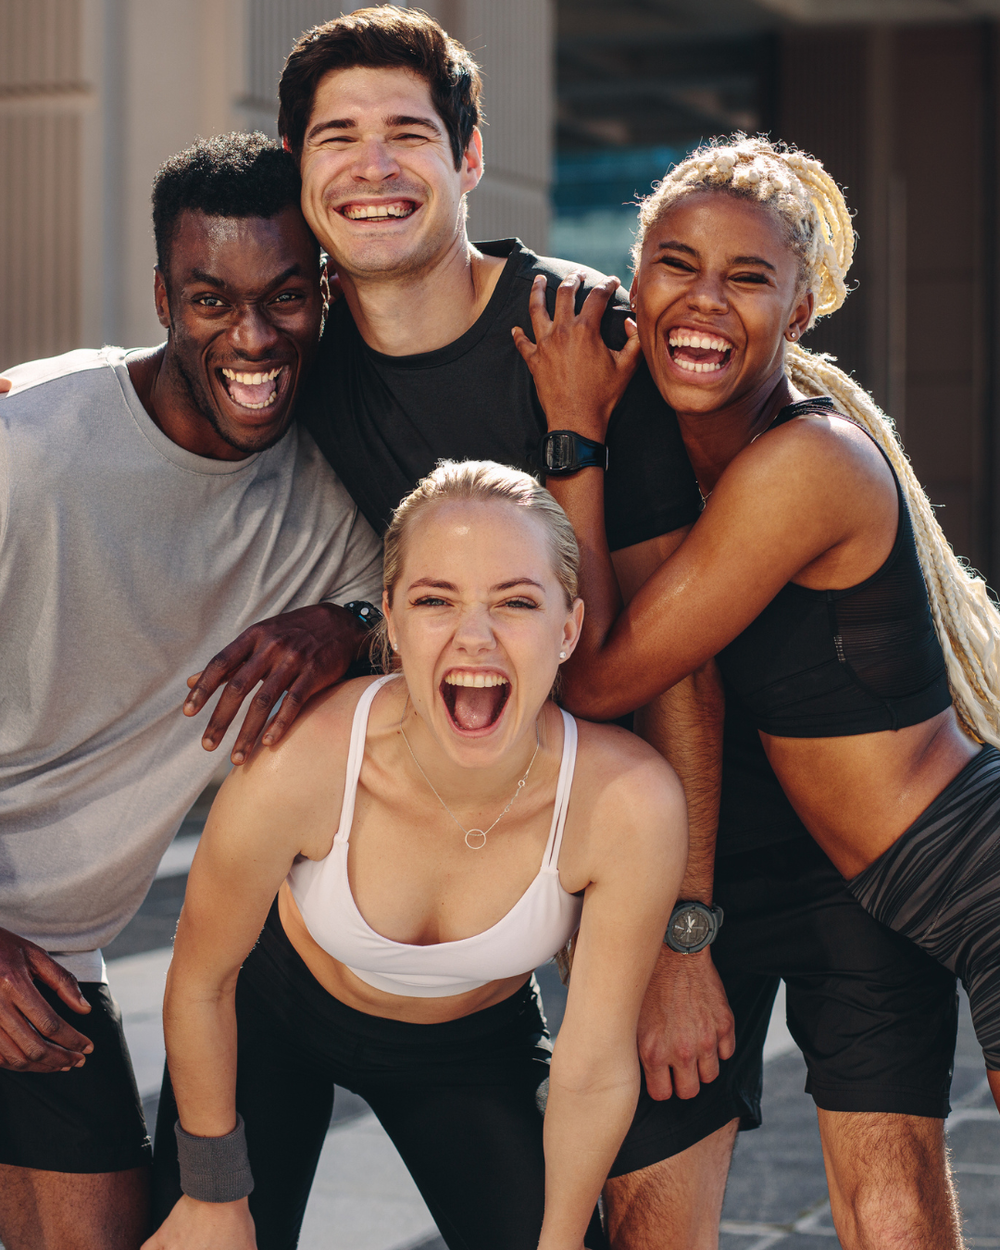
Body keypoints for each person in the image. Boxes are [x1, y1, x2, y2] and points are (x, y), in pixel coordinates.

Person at [515, 133, 1000, 1246]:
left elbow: (594, 669)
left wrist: (572, 436)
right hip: (880, 881)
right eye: (676, 263)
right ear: (632, 281)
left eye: (747, 276)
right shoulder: (684, 448)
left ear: (801, 310)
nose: (704, 299)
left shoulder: (804, 464)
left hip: (964, 872)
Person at [145, 460, 687, 1250]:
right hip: (273, 1019)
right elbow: (200, 980)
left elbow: (594, 1066)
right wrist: (214, 1198)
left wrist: (562, 1243)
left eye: (516, 602)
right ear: (391, 622)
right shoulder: (306, 760)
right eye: (436, 600)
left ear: (568, 629)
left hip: (472, 1050)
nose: (475, 635)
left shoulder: (628, 802)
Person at [0, 133, 382, 1250]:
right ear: (165, 294)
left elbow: (448, 618)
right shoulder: (30, 448)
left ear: (325, 299)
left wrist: (350, 627)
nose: (254, 337)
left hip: (55, 964)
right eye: (213, 299)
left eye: (286, 298)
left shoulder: (329, 497)